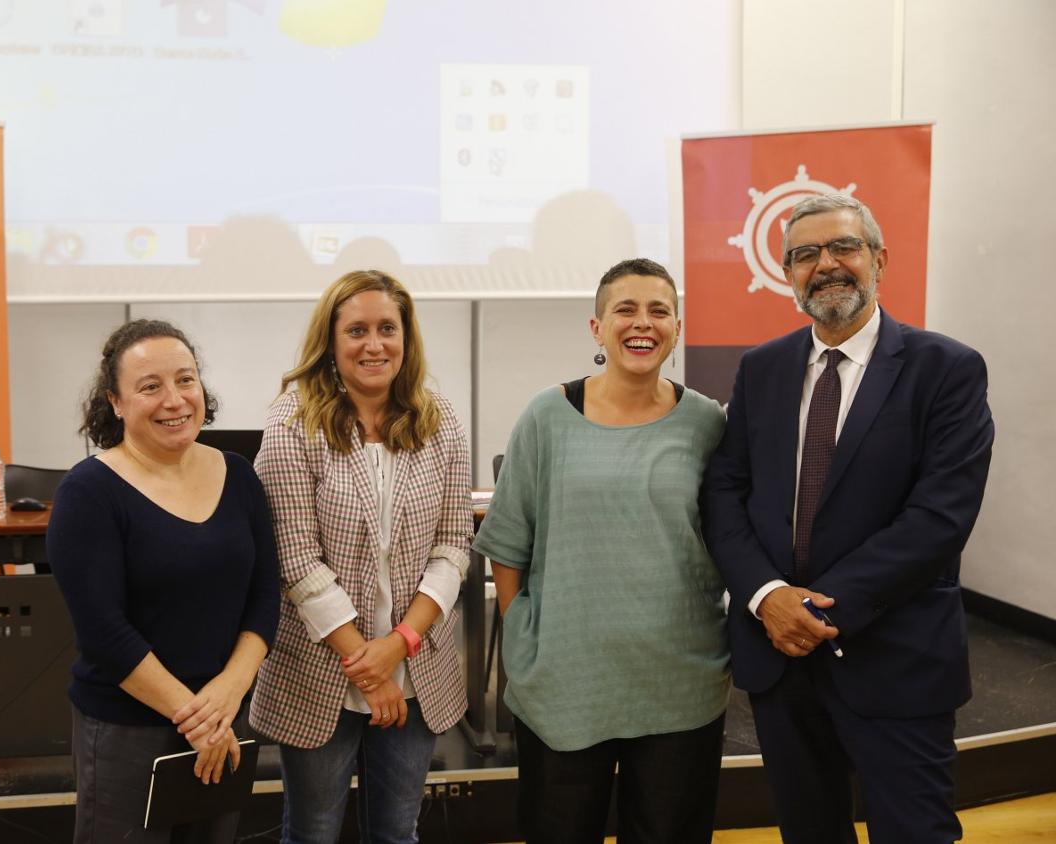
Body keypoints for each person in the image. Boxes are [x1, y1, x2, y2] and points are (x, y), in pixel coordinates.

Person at [701, 194, 994, 843]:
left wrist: (818, 612)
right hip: (780, 662)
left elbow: (939, 518)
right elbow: (725, 490)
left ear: (879, 259)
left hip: (897, 659)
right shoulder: (763, 368)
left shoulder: (946, 370)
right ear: (787, 274)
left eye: (843, 247)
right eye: (805, 254)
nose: (826, 265)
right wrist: (768, 597)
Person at [473, 258, 730, 844]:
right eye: (626, 309)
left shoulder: (707, 423)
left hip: (680, 683)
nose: (643, 323)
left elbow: (726, 538)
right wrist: (523, 632)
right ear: (596, 328)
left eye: (659, 310)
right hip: (566, 683)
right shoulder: (547, 416)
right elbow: (508, 541)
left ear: (677, 328)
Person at [248, 270, 473, 844]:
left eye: (387, 329)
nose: (374, 345)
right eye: (357, 330)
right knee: (313, 834)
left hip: (417, 671)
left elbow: (453, 546)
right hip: (319, 671)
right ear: (331, 340)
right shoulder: (291, 423)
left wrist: (399, 646)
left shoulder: (441, 421)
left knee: (397, 833)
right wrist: (367, 668)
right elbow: (294, 559)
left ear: (406, 337)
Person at [48, 319, 280, 843]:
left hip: (224, 721)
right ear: (117, 402)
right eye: (150, 387)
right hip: (128, 729)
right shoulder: (88, 492)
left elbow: (265, 597)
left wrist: (229, 692)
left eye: (186, 380)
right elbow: (105, 633)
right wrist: (197, 718)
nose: (174, 400)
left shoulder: (238, 474)